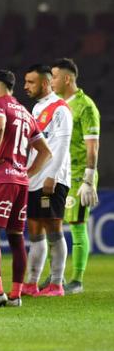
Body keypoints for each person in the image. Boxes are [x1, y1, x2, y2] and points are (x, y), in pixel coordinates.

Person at [0, 70, 52, 308]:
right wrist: (26, 173)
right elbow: (45, 151)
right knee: (16, 237)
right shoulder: (25, 112)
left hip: (1, 178)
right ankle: (16, 294)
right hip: (20, 181)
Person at [20, 64, 73, 297]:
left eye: (30, 82)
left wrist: (52, 176)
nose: (25, 86)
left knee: (53, 228)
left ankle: (57, 284)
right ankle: (31, 283)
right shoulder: (37, 108)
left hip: (51, 178)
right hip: (35, 178)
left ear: (44, 83)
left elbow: (62, 144)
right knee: (34, 230)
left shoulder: (61, 109)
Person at [51, 58, 100, 294]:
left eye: (55, 77)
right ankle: (55, 278)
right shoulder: (57, 105)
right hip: (59, 173)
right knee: (53, 225)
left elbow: (93, 146)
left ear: (67, 78)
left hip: (80, 175)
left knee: (77, 225)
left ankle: (77, 281)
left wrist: (89, 180)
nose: (51, 81)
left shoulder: (85, 106)